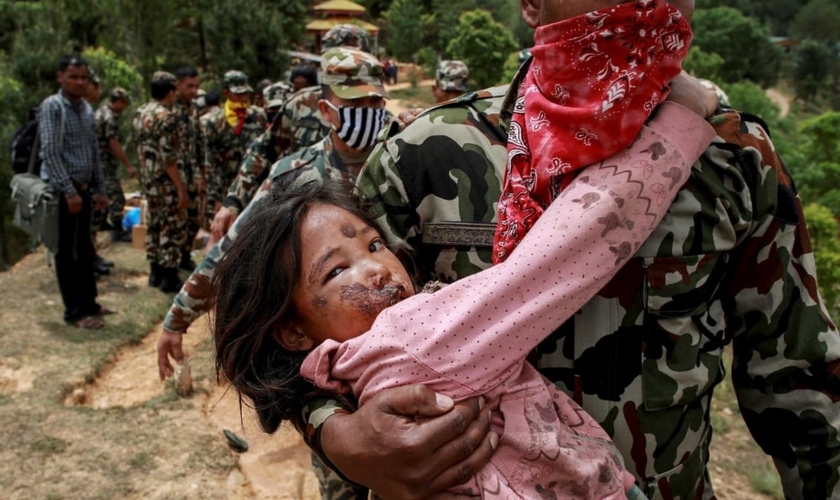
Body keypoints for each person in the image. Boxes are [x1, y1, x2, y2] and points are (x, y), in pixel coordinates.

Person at [304, 1, 840, 499]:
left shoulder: (733, 159)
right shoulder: (423, 157)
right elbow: (290, 331)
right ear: (533, 3)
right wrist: (335, 436)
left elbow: (799, 380)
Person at [212, 74, 710, 496]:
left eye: (373, 246)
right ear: (294, 333)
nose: (378, 269)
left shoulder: (340, 364)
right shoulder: (417, 335)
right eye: (336, 271)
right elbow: (570, 250)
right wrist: (683, 119)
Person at [157, 46, 391, 361]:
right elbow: (234, 249)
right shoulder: (297, 173)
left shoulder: (405, 160)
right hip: (329, 342)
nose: (365, 110)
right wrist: (178, 317)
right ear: (325, 110)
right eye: (352, 102)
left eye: (374, 101)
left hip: (402, 331)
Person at [39, 54, 112, 329]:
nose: (79, 82)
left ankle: (90, 303)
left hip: (83, 192)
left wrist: (100, 189)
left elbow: (93, 152)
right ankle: (75, 312)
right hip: (63, 193)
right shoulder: (53, 107)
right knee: (67, 254)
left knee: (85, 250)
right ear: (61, 77)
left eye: (83, 77)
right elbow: (51, 152)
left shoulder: (85, 109)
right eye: (73, 77)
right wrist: (69, 192)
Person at [133, 76, 189, 293]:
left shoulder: (141, 113)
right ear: (170, 94)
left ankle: (155, 271)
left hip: (148, 180)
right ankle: (169, 276)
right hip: (165, 182)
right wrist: (180, 188)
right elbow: (168, 158)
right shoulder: (166, 117)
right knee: (171, 226)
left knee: (155, 223)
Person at [200, 70, 267, 225]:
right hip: (226, 190)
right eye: (238, 94)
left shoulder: (259, 116)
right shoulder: (214, 121)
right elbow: (211, 164)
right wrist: (215, 199)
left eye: (246, 93)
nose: (243, 98)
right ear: (226, 93)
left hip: (253, 188)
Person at [93, 87, 136, 243]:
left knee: (101, 192)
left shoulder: (99, 112)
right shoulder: (109, 117)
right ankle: (118, 230)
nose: (124, 109)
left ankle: (102, 222)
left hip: (96, 162)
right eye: (124, 105)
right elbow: (113, 143)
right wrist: (128, 164)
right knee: (116, 195)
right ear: (118, 102)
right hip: (105, 163)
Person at [172, 66, 204, 271]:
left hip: (192, 173)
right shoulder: (169, 110)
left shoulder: (193, 110)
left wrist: (202, 173)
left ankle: (185, 255)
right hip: (174, 176)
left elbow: (198, 145)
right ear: (178, 85)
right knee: (173, 222)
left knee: (192, 220)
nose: (193, 91)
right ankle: (168, 264)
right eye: (189, 86)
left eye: (196, 86)